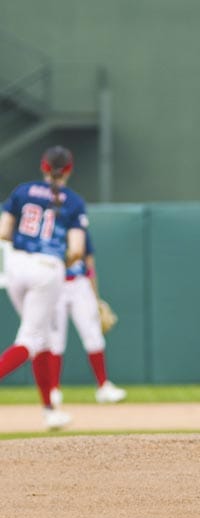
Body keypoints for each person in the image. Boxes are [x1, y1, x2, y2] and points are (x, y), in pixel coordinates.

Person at [0, 145, 86, 430]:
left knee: (44, 339)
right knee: (30, 340)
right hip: (46, 269)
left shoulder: (23, 191)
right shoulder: (73, 201)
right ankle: (49, 410)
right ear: (69, 169)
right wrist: (58, 256)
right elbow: (77, 249)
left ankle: (50, 411)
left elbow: (3, 231)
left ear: (44, 166)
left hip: (15, 265)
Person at [49, 225, 126, 407]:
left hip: (79, 284)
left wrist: (95, 297)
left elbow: (89, 262)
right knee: (55, 340)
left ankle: (103, 387)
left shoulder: (78, 226)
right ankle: (53, 390)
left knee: (93, 335)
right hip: (55, 285)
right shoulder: (48, 227)